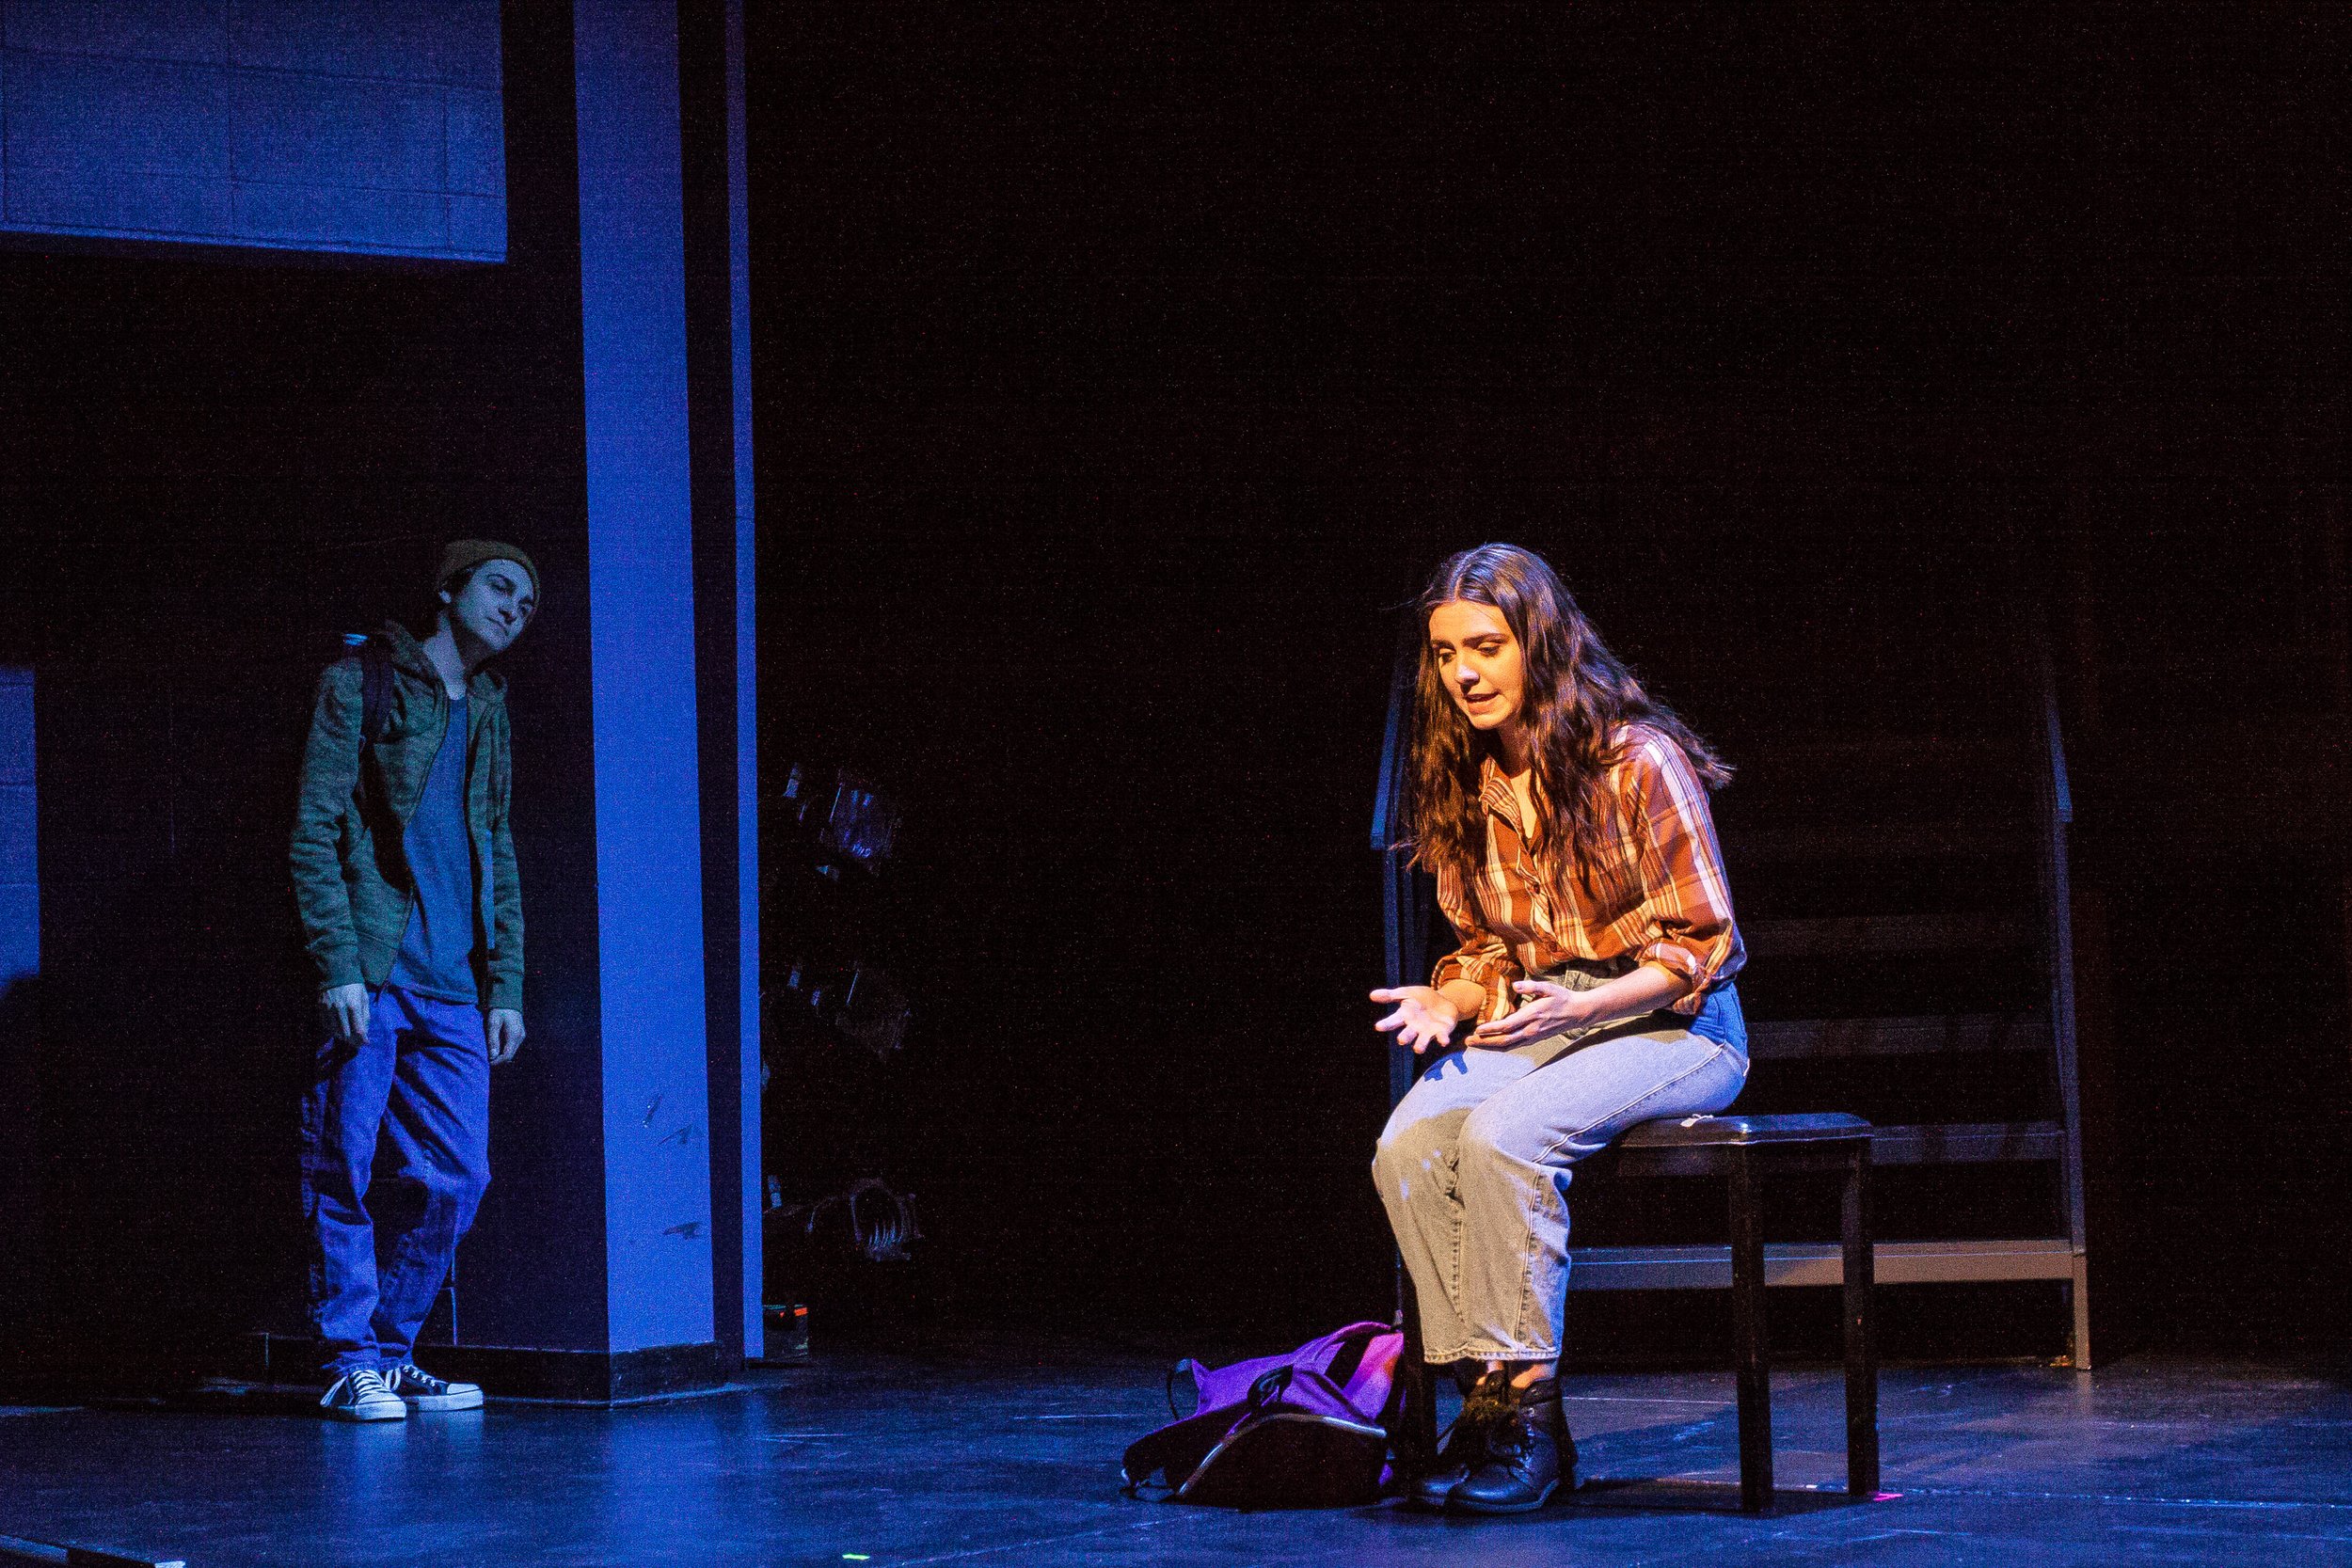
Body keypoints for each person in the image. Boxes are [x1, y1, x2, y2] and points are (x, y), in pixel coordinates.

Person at [1369, 542, 1749, 1513]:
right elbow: (1487, 954)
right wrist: (1445, 1000)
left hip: (1676, 1020)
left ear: (1538, 644)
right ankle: (1486, 1404)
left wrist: (1591, 1001)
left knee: (1506, 1136)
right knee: (1407, 1143)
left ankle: (1530, 1417)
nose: (1464, 672)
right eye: (1447, 653)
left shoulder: (1636, 760)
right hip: (1549, 1010)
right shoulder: (1465, 778)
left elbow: (1702, 943)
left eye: (1486, 646)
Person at [289, 541, 537, 1420]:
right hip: (374, 966)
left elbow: (497, 845)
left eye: (526, 602)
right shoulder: (361, 681)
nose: (514, 607)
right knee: (343, 1165)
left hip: (453, 981)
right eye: (500, 587)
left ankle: (391, 1349)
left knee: (459, 1175)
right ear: (448, 586)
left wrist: (504, 982)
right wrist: (337, 963)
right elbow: (314, 829)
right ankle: (347, 1354)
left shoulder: (492, 708)